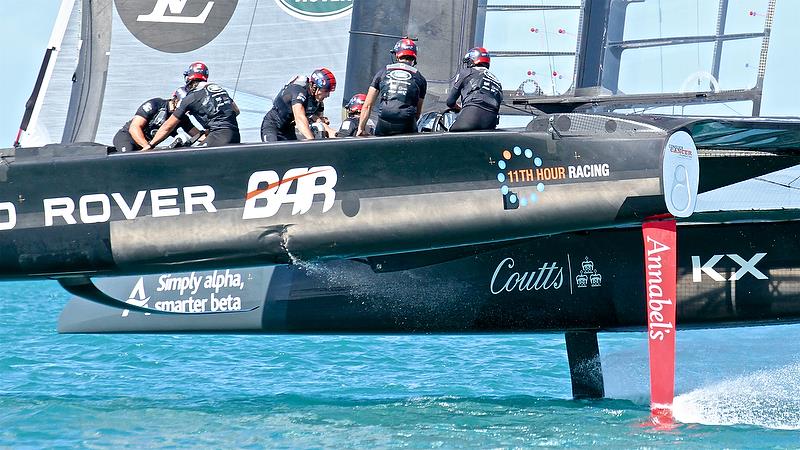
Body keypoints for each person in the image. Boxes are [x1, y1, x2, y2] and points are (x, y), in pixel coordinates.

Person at [146, 62, 240, 150]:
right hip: (235, 135)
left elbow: (167, 127)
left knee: (188, 157)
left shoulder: (191, 98)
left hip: (218, 137)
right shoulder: (219, 89)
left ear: (189, 77)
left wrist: (150, 146)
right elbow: (236, 111)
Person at [357, 38, 427, 137]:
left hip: (385, 120)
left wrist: (361, 128)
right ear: (414, 57)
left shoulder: (382, 72)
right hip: (406, 122)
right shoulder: (420, 78)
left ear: (397, 55)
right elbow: (417, 113)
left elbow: (367, 105)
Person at [112, 88, 199, 152]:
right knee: (129, 156)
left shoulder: (181, 117)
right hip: (127, 137)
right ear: (175, 99)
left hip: (147, 147)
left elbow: (197, 135)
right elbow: (134, 127)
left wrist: (210, 135)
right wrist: (146, 146)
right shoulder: (155, 104)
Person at [261, 69, 338, 142]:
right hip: (272, 126)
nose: (328, 95)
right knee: (274, 151)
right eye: (325, 91)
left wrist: (339, 136)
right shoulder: (298, 91)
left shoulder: (318, 102)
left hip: (288, 130)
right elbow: (300, 118)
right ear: (315, 87)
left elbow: (319, 123)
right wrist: (313, 143)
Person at [446, 47, 503, 132]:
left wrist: (459, 108)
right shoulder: (496, 80)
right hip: (491, 120)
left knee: (450, 138)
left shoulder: (467, 72)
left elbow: (450, 102)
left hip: (472, 113)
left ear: (473, 60)